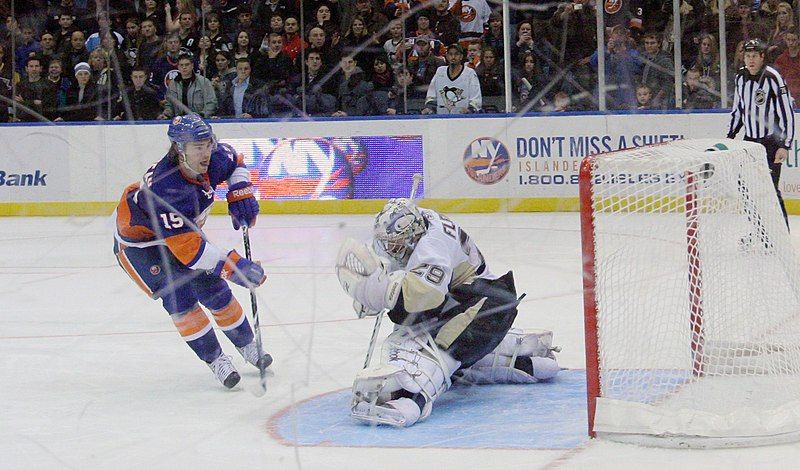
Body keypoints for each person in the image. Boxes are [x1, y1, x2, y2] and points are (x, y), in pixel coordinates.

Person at [335, 198, 560, 427]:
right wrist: (382, 279)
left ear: (414, 235)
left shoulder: (432, 245)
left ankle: (411, 395)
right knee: (411, 327)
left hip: (485, 305)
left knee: (424, 337)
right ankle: (498, 358)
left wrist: (380, 292)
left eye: (398, 244)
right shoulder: (414, 223)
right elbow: (397, 266)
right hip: (459, 299)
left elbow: (424, 297)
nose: (393, 249)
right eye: (390, 244)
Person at [112, 113, 272, 388]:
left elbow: (237, 163)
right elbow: (192, 253)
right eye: (198, 147)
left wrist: (240, 191)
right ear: (179, 150)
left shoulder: (215, 155)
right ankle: (216, 359)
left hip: (180, 235)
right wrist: (235, 267)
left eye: (207, 143)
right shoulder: (165, 188)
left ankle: (247, 345)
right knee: (179, 298)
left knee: (214, 288)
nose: (206, 152)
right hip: (141, 245)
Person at [728, 39, 795, 229]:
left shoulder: (773, 77)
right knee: (747, 190)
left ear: (762, 57)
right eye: (747, 56)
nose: (750, 60)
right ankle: (758, 232)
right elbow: (738, 110)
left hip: (771, 143)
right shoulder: (740, 77)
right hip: (749, 144)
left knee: (770, 190)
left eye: (754, 56)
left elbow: (786, 113)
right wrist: (731, 136)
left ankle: (781, 234)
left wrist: (785, 145)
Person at [422, 43, 481, 114]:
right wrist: (429, 108)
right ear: (446, 56)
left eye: (456, 54)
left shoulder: (470, 73)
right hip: (441, 117)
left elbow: (476, 98)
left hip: (463, 118)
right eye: (450, 54)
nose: (453, 57)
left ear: (461, 56)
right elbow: (431, 94)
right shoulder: (440, 71)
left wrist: (470, 109)